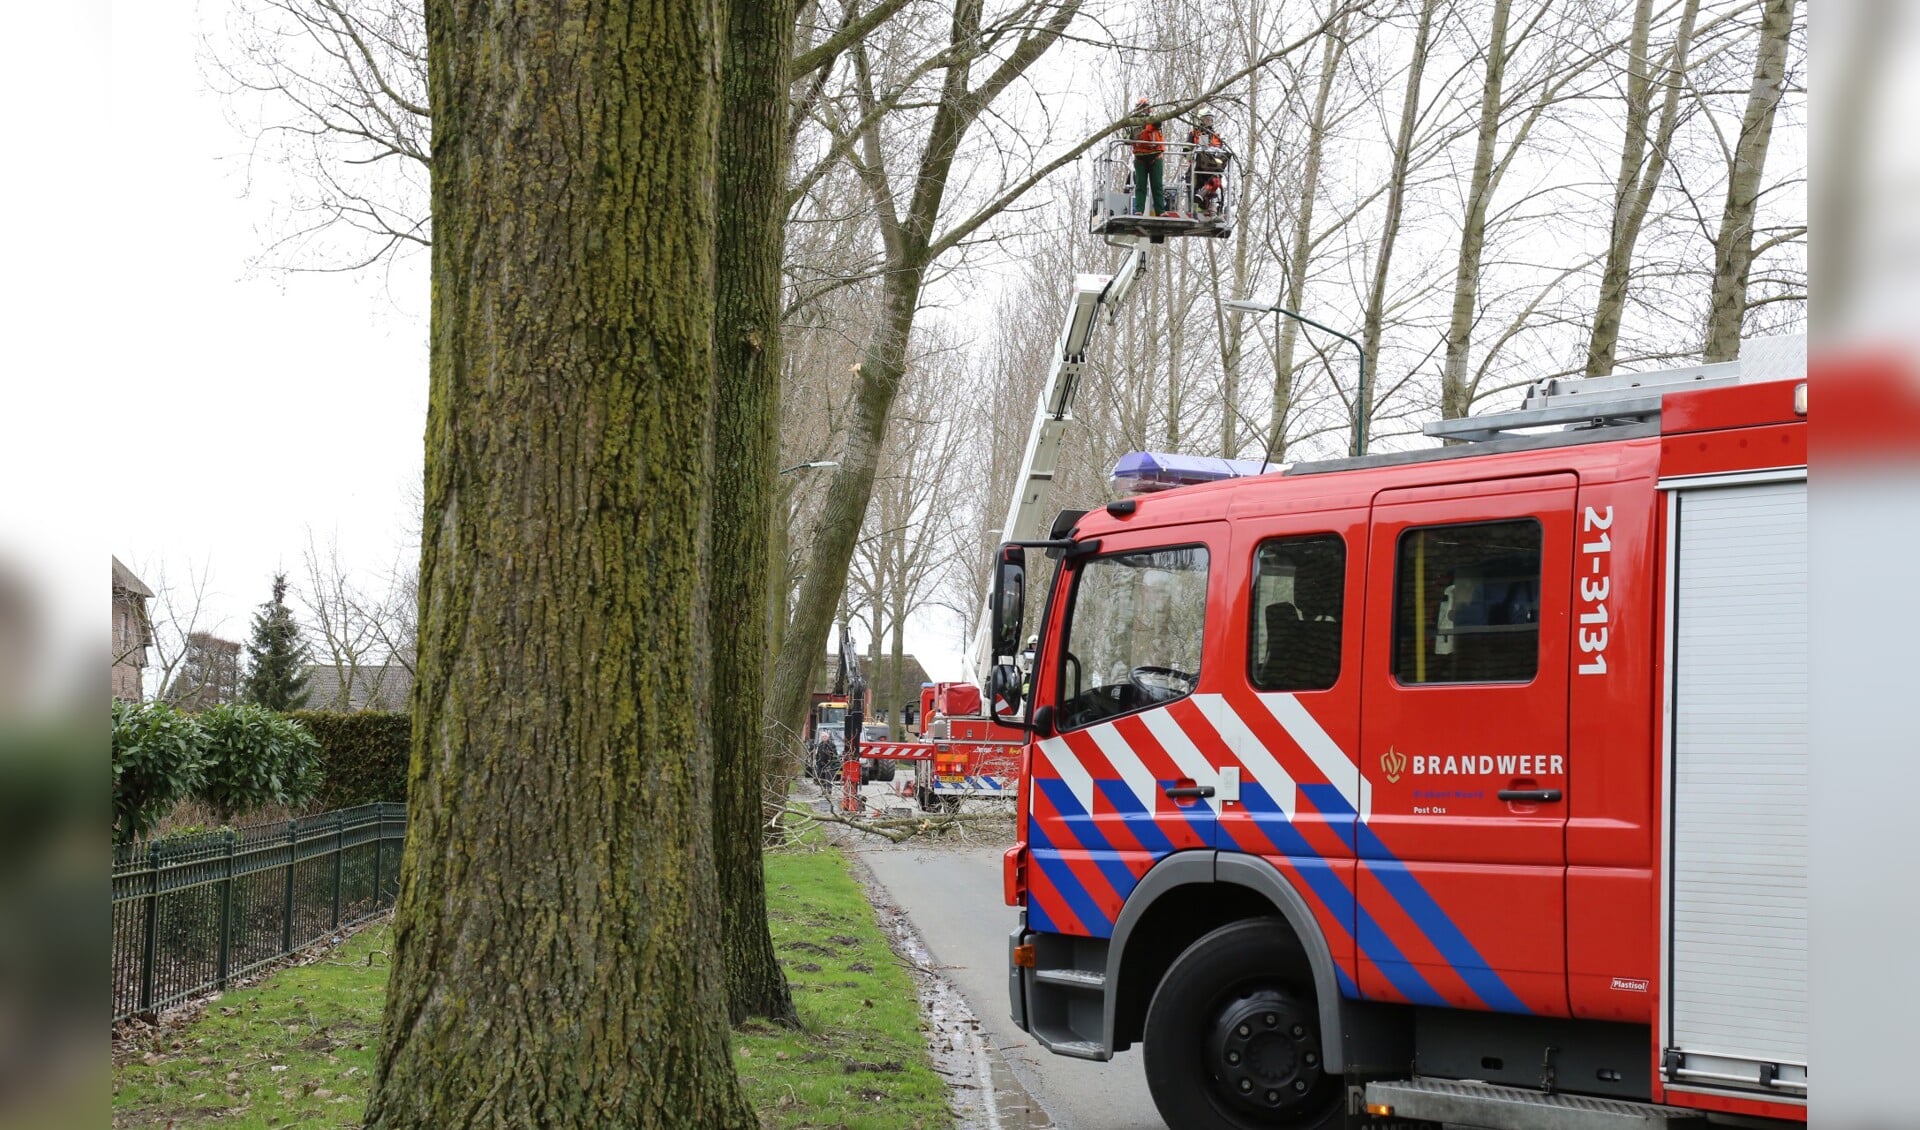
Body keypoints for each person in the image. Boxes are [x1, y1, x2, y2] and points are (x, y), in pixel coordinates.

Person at [1187, 110, 1230, 217]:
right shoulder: (1194, 133)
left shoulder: (1217, 136)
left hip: (1213, 165)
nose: (1210, 121)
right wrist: (1192, 155)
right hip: (1197, 165)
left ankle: (1212, 206)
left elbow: (1222, 150)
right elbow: (1186, 150)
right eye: (1207, 119)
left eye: (1211, 119)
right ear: (1201, 120)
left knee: (1216, 180)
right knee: (1191, 180)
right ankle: (1196, 205)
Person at [1128, 98, 1167, 217]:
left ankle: (1160, 211)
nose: (1142, 110)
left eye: (1144, 107)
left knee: (1157, 186)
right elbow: (1127, 137)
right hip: (1140, 158)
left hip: (1155, 156)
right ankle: (1139, 210)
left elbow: (1158, 122)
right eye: (1140, 107)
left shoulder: (1154, 121)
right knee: (1140, 185)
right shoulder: (1132, 123)